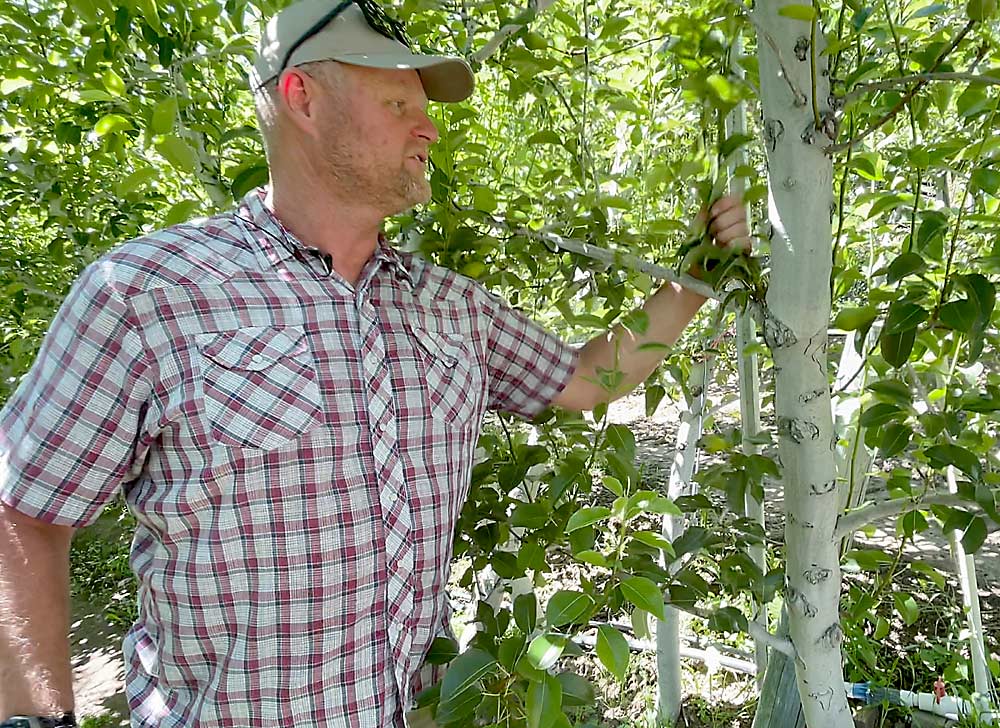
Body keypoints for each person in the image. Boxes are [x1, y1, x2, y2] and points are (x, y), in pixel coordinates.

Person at [0, 0, 750, 726]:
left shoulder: (451, 307)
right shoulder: (149, 293)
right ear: (302, 97)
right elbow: (24, 510)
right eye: (397, 103)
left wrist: (694, 278)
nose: (428, 127)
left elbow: (588, 380)